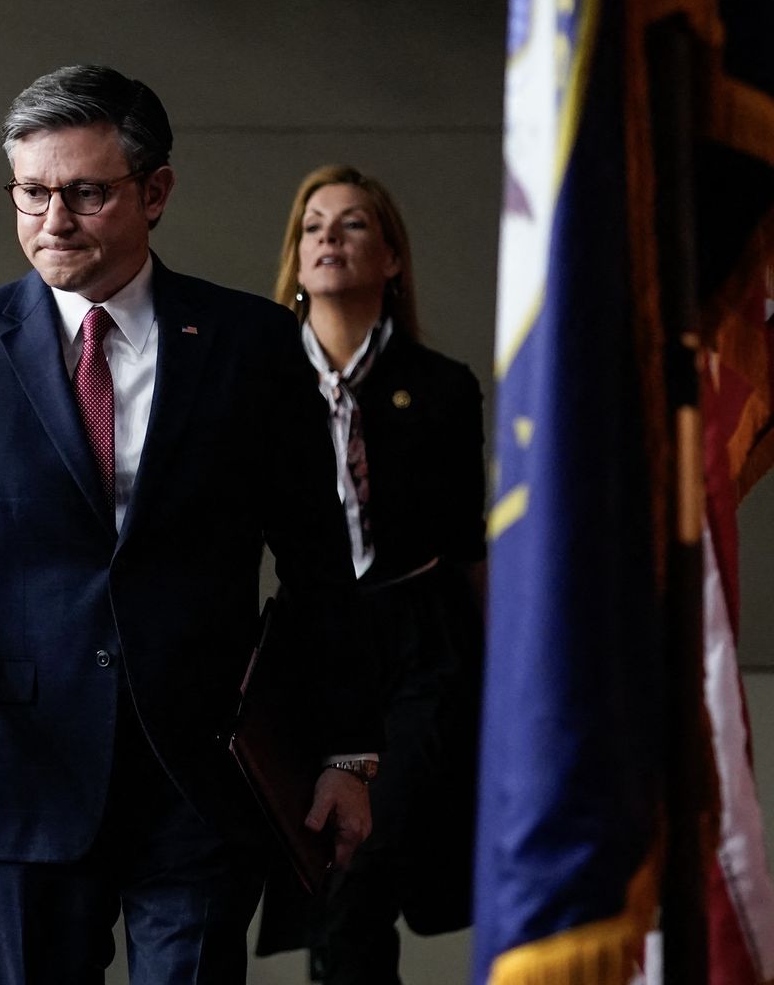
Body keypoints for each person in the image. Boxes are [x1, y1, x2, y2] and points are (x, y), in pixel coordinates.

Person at [0, 65, 377, 984]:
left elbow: (322, 567)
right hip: (14, 771)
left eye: (86, 193)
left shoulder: (249, 346)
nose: (54, 220)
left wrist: (347, 752)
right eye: (32, 192)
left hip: (203, 776)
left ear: (155, 191)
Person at [255, 165, 485, 983]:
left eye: (352, 224)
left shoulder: (443, 388)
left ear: (391, 257)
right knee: (324, 867)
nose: (328, 238)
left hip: (419, 642)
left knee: (369, 852)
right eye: (312, 225)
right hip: (309, 643)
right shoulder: (258, 382)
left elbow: (470, 548)